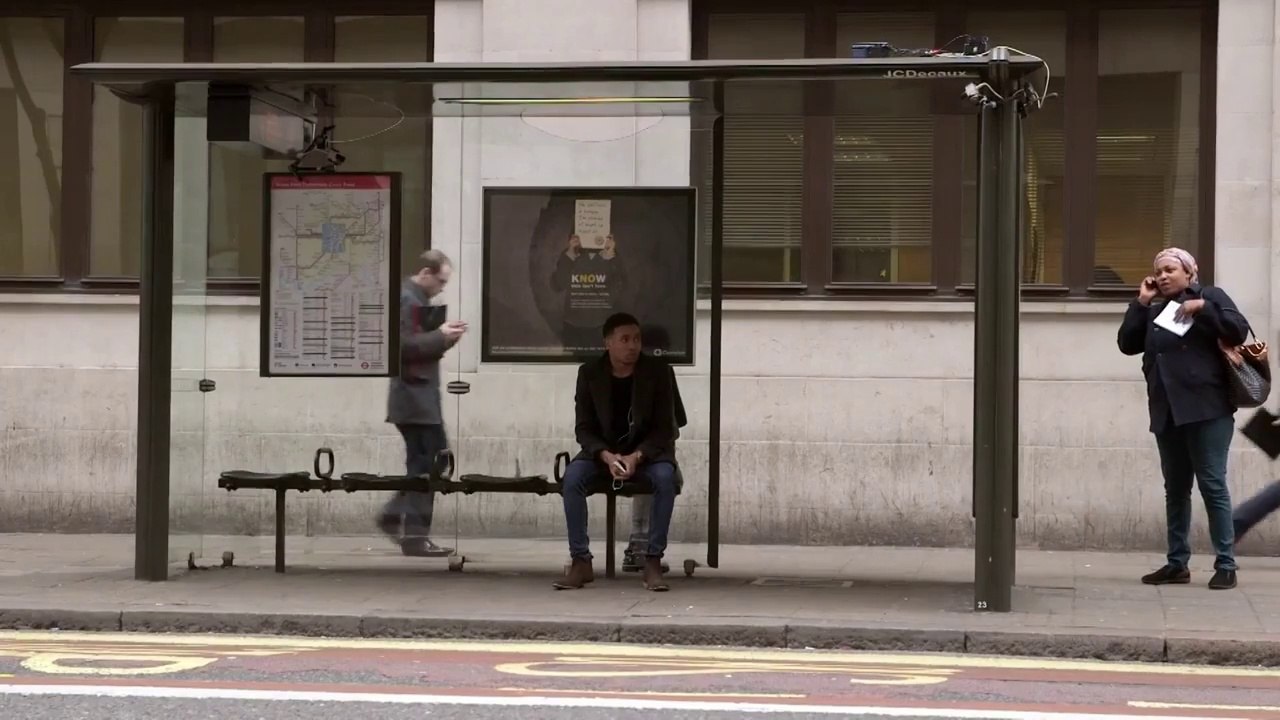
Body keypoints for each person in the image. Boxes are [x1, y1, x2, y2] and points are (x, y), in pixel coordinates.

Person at [1117, 247, 1251, 590]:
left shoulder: (1210, 296)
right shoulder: (1155, 307)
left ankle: (1226, 563)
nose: (1162, 276)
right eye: (1158, 271)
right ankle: (1177, 563)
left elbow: (1237, 330)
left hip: (1207, 409)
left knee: (1212, 485)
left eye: (1170, 270)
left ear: (1190, 273)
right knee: (1175, 490)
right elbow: (1127, 344)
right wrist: (1141, 303)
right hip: (1167, 410)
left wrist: (1204, 309)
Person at [555, 313, 681, 592]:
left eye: (636, 339)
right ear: (608, 343)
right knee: (572, 478)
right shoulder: (589, 373)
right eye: (625, 339)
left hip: (646, 456)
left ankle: (653, 559)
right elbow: (583, 429)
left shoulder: (658, 372)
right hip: (603, 455)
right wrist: (606, 455)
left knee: (665, 479)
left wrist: (637, 456)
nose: (633, 346)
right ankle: (581, 560)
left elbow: (665, 429)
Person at [378, 249, 467, 557]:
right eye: (440, 281)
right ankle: (413, 535)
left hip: (418, 399)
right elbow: (400, 347)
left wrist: (444, 339)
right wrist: (440, 337)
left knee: (423, 464)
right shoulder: (407, 299)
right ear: (425, 274)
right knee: (434, 462)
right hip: (414, 400)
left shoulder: (416, 298)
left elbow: (419, 347)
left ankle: (397, 521)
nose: (441, 288)